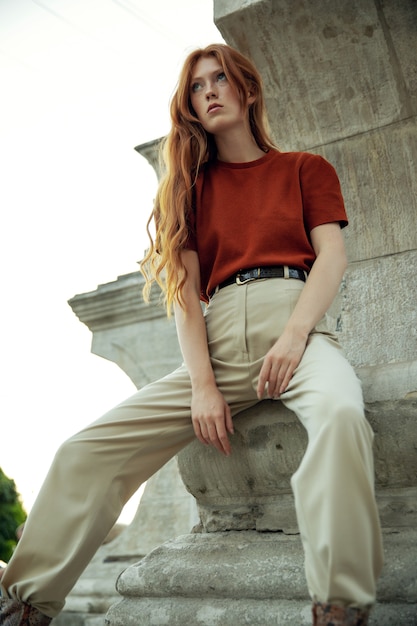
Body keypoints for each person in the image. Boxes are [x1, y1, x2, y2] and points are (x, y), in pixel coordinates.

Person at [0, 43, 383, 626]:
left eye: (220, 79)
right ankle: (25, 606)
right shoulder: (190, 190)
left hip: (297, 329)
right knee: (84, 452)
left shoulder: (304, 169)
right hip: (220, 338)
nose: (208, 91)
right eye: (197, 86)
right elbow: (184, 298)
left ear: (246, 90)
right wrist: (203, 387)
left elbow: (331, 257)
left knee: (342, 416)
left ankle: (340, 603)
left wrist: (293, 338)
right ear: (191, 106)